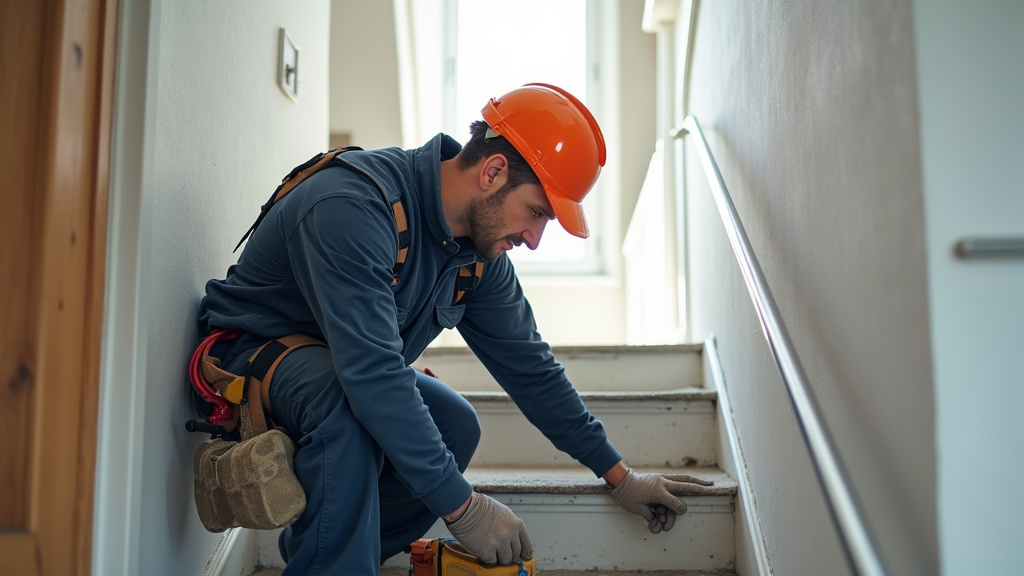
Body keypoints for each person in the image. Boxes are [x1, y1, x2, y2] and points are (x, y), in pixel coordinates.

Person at [197, 83, 713, 575]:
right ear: (491, 172)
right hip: (248, 360)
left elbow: (532, 369)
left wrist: (618, 475)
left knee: (455, 422)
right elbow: (372, 376)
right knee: (349, 403)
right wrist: (463, 507)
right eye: (536, 212)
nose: (534, 239)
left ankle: (329, 558)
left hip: (340, 367)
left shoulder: (475, 258)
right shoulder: (352, 205)